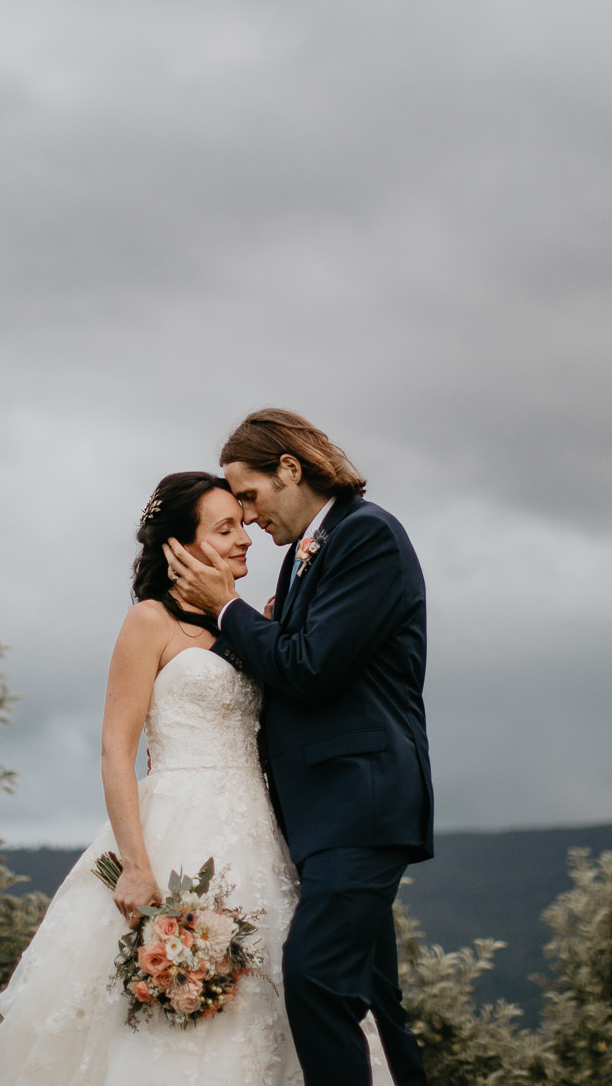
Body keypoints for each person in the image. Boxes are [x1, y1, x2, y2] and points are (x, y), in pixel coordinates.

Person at [0, 470, 391, 1085]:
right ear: (178, 546)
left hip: (261, 835)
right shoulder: (149, 622)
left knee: (281, 996)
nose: (245, 537)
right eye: (225, 528)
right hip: (176, 834)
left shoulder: (250, 624)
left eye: (243, 524)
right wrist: (136, 865)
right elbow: (116, 751)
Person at [164, 409, 432, 1086]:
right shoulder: (303, 556)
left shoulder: (367, 535)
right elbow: (283, 661)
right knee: (377, 1003)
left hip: (361, 800)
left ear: (289, 468)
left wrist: (227, 608)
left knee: (314, 976)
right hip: (322, 814)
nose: (249, 518)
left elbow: (309, 666)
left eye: (249, 496)